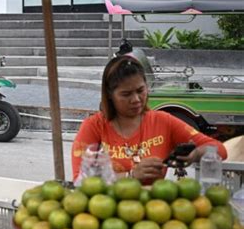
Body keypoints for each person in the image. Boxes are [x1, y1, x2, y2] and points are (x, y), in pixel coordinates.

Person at [71, 55, 227, 185]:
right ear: (110, 95)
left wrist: (196, 154)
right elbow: (79, 181)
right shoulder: (94, 126)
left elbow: (220, 149)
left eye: (140, 90)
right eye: (126, 94)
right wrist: (130, 175)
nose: (136, 99)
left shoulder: (163, 121)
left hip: (155, 212)